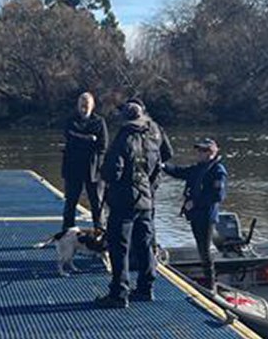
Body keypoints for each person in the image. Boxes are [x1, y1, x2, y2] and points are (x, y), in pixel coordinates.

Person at [96, 99, 170, 308]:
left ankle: (119, 293)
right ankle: (146, 288)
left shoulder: (124, 137)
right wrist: (151, 182)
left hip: (124, 200)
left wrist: (105, 176)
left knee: (119, 247)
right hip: (146, 197)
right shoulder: (154, 132)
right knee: (145, 244)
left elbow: (113, 171)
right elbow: (166, 156)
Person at [164, 138, 228, 291]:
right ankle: (209, 281)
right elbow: (180, 172)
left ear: (211, 152)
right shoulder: (198, 168)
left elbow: (218, 196)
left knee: (204, 250)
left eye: (203, 150)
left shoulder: (218, 170)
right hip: (195, 216)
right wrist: (162, 166)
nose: (199, 153)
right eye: (198, 150)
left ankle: (211, 284)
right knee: (201, 248)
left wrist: (195, 203)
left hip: (206, 216)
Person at [60, 92, 107, 230]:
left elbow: (102, 146)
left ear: (92, 105)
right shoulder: (71, 121)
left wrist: (79, 138)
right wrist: (89, 139)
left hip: (93, 169)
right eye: (82, 104)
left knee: (96, 203)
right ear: (78, 105)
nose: (84, 107)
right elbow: (69, 137)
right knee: (71, 202)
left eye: (87, 104)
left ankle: (100, 231)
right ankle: (67, 230)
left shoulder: (99, 122)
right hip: (73, 167)